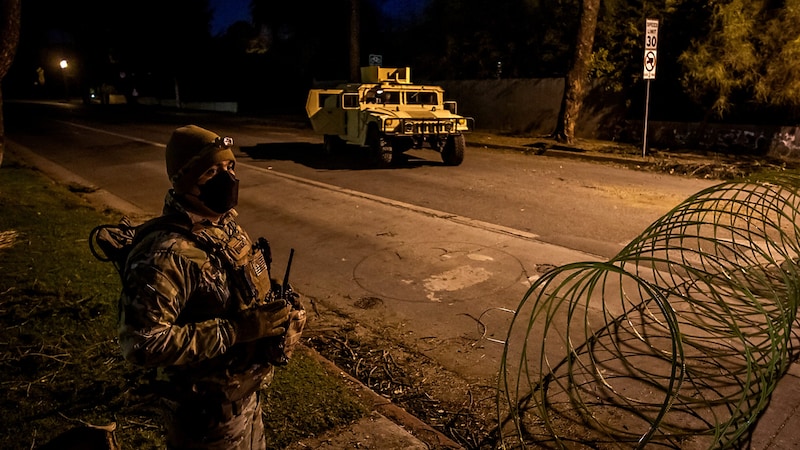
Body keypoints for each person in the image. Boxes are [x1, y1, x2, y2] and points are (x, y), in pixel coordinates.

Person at [117, 124, 301, 449]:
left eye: (230, 167)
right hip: (205, 415)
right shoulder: (166, 253)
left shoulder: (222, 223)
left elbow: (240, 288)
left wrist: (279, 315)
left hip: (244, 396)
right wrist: (236, 331)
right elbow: (141, 343)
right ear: (183, 181)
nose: (227, 178)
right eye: (211, 172)